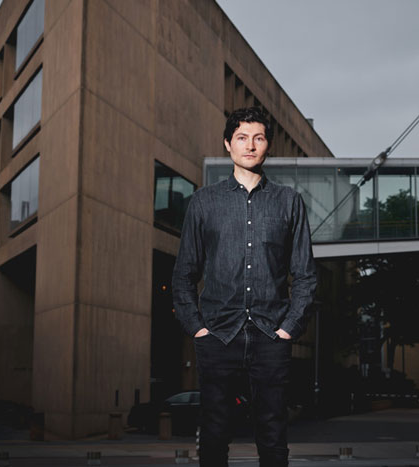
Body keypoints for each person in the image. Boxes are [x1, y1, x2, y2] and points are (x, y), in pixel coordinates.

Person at [172, 106, 317, 466]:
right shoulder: (204, 202)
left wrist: (288, 329)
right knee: (214, 435)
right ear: (228, 144)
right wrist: (198, 329)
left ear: (267, 145)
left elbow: (305, 275)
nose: (250, 145)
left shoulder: (289, 203)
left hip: (271, 335)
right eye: (241, 138)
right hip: (217, 336)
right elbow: (184, 273)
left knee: (272, 437)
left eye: (258, 138)